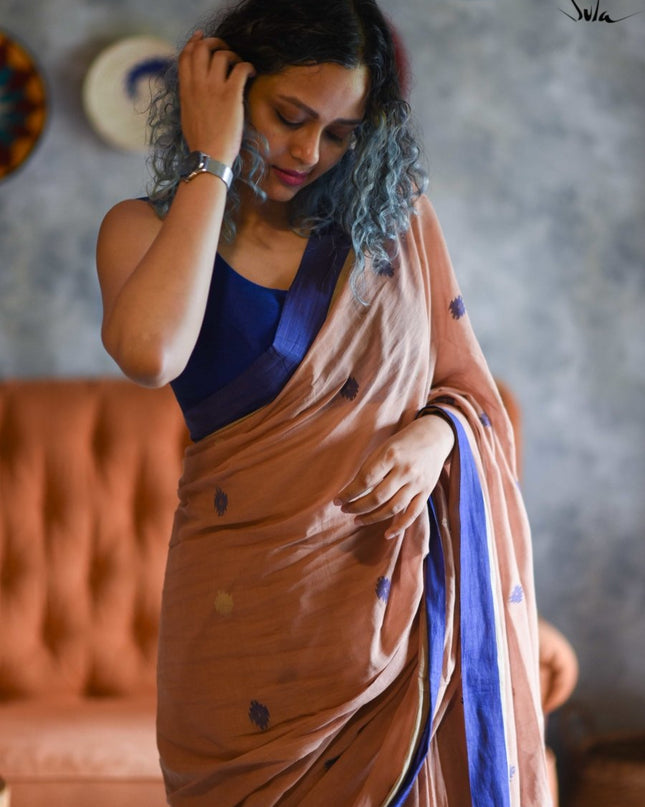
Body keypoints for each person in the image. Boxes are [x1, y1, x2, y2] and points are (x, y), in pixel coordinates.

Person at [96, 0, 551, 804]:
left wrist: (438, 437)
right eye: (287, 115)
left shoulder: (394, 231)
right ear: (230, 89)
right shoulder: (143, 229)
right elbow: (149, 352)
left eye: (340, 132)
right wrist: (213, 161)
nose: (309, 152)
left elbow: (470, 395)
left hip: (390, 627)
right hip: (240, 635)